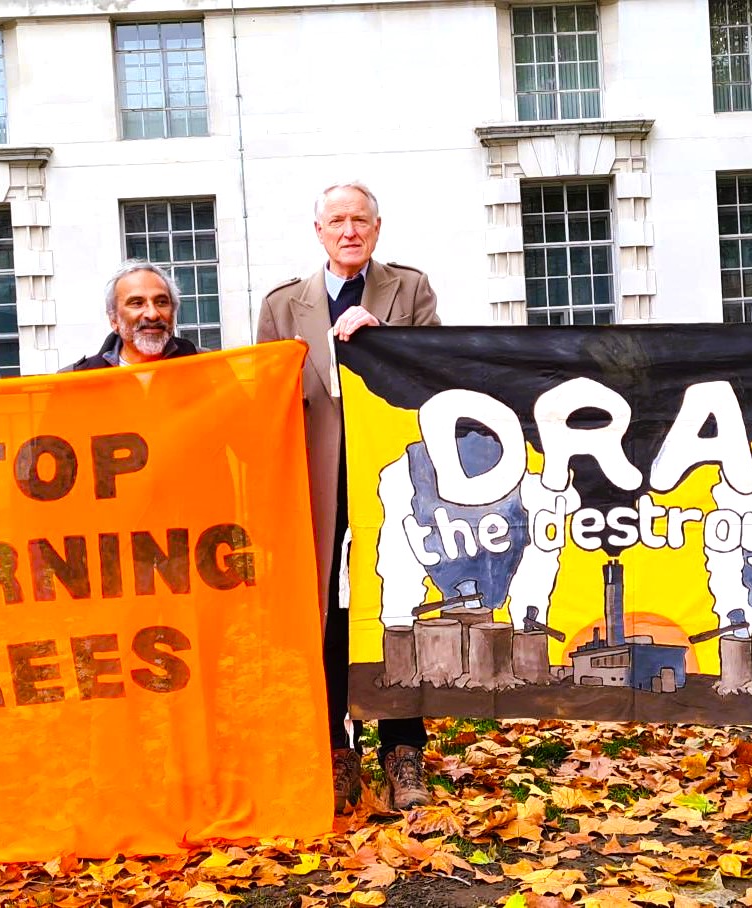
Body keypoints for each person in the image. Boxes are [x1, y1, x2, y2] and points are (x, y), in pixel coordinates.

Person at [256, 182, 440, 811]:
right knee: (326, 615)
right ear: (319, 231)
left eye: (360, 219)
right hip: (316, 480)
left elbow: (437, 375)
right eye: (336, 220)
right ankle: (338, 751)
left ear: (377, 227)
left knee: (396, 606)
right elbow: (265, 396)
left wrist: (386, 343)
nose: (349, 231)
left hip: (393, 477)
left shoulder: (409, 290)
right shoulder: (283, 304)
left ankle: (403, 751)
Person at [63, 261, 201, 371]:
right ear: (113, 319)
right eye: (137, 303)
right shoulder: (74, 383)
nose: (153, 314)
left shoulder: (206, 367)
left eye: (161, 302)